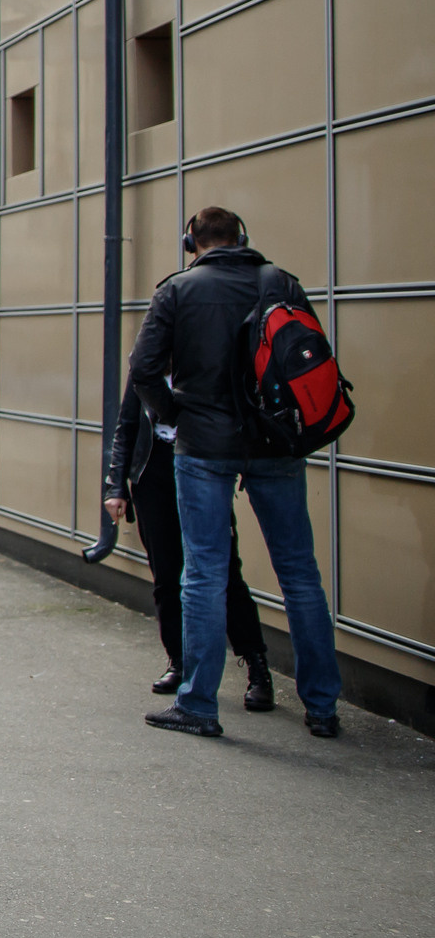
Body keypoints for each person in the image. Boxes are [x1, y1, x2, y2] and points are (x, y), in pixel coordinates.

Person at [128, 205, 338, 739]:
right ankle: (321, 707)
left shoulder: (176, 291)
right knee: (299, 573)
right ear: (242, 237)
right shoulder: (281, 281)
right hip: (277, 444)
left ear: (190, 241)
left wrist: (174, 416)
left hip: (203, 447)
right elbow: (310, 357)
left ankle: (198, 706)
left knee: (202, 572)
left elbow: (143, 370)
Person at [103, 376, 272, 709]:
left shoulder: (204, 348)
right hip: (153, 472)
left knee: (225, 571)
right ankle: (179, 662)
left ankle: (257, 667)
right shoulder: (148, 356)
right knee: (166, 574)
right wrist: (115, 486)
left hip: (201, 464)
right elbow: (127, 425)